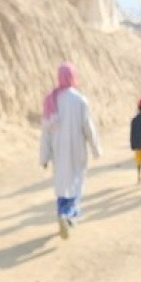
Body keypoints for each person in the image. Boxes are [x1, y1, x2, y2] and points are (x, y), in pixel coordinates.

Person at [39, 61, 102, 239]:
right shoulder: (80, 100)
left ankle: (62, 213)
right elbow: (88, 127)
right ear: (73, 76)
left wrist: (44, 156)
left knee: (62, 184)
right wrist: (96, 148)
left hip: (58, 151)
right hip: (77, 150)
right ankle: (68, 215)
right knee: (76, 183)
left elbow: (46, 132)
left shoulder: (51, 100)